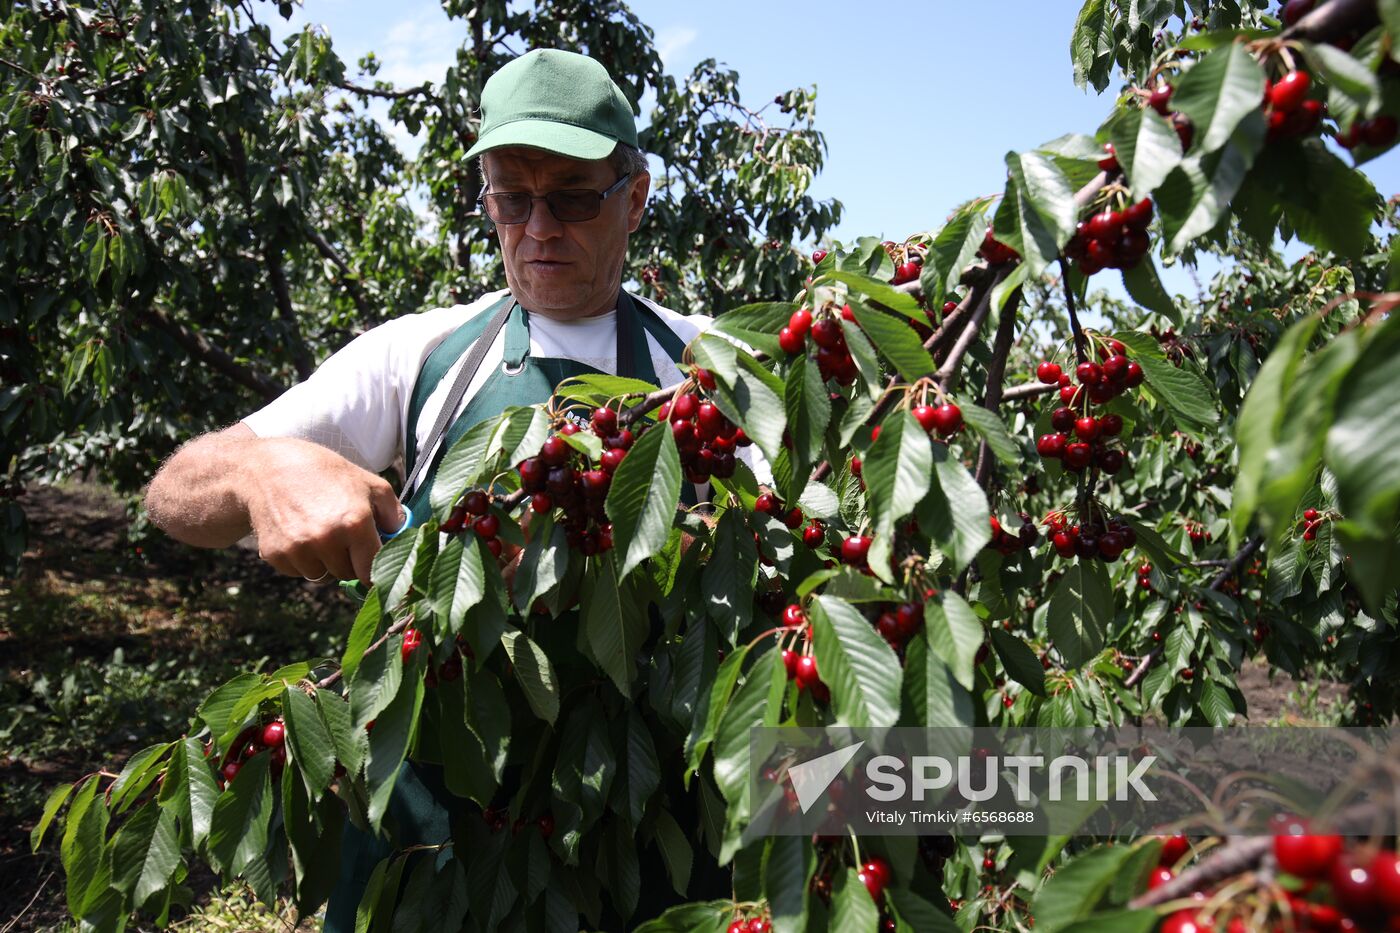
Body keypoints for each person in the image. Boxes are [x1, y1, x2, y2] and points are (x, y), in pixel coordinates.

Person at [145, 47, 758, 930]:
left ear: (636, 197)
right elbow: (174, 492)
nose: (538, 227)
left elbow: (779, 590)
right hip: (432, 841)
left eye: (574, 197)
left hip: (643, 835)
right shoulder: (426, 355)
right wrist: (259, 467)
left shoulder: (708, 371)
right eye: (512, 198)